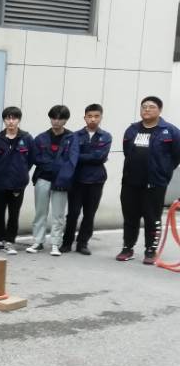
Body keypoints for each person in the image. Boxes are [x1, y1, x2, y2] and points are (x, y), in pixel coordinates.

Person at [117, 96, 180, 264]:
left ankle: (150, 250)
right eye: (144, 106)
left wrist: (164, 171)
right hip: (130, 182)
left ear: (160, 110)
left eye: (151, 107)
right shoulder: (132, 130)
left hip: (155, 183)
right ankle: (127, 248)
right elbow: (127, 151)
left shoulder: (171, 131)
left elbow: (176, 156)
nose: (147, 109)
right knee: (130, 217)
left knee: (152, 218)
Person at [61, 104, 111, 255]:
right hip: (77, 180)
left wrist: (80, 156)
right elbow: (70, 156)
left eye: (96, 116)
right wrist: (92, 156)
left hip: (96, 181)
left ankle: (83, 243)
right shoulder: (75, 136)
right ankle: (67, 242)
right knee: (73, 213)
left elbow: (100, 157)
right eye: (90, 116)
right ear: (85, 118)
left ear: (101, 118)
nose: (93, 119)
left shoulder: (106, 136)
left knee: (89, 214)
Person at [28, 105, 79, 256]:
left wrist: (61, 173)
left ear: (66, 120)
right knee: (40, 212)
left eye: (60, 118)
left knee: (58, 214)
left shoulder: (72, 138)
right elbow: (36, 157)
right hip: (43, 178)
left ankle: (56, 243)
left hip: (62, 181)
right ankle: (38, 241)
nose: (56, 121)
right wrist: (55, 165)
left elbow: (72, 160)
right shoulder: (41, 138)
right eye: (53, 118)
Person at [0, 107, 34, 255]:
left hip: (17, 184)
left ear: (19, 120)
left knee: (14, 214)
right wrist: (0, 172)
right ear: (4, 120)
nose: (11, 121)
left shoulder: (27, 138)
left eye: (14, 118)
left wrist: (21, 172)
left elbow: (31, 160)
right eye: (8, 118)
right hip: (0, 183)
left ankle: (10, 242)